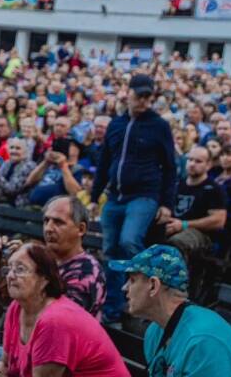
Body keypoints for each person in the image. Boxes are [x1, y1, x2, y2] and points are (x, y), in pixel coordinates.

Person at [0, 197, 105, 370]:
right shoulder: (43, 258)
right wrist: (0, 265)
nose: (49, 228)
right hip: (5, 342)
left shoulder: (86, 272)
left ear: (81, 229)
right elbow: (4, 302)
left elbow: (55, 328)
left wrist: (26, 268)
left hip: (39, 355)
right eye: (46, 221)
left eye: (58, 222)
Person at [92, 74, 178, 323]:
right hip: (115, 196)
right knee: (110, 250)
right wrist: (94, 196)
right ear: (128, 94)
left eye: (147, 97)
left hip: (144, 195)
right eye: (139, 95)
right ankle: (113, 307)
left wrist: (166, 204)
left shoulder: (159, 125)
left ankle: (147, 300)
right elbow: (104, 162)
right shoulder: (116, 124)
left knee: (130, 241)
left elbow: (170, 167)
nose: (142, 101)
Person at [110, 244, 231, 376]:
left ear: (153, 286)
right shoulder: (155, 331)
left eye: (132, 280)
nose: (124, 287)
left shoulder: (203, 342)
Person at [0, 242, 128, 377]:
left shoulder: (54, 321)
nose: (10, 276)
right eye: (9, 269)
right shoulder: (17, 307)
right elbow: (5, 364)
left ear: (44, 279)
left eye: (20, 269)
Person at [156, 146, 227, 263]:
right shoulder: (177, 185)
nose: (192, 164)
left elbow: (218, 221)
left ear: (208, 165)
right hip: (172, 227)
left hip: (200, 234)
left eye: (198, 161)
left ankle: (176, 275)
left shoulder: (214, 189)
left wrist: (184, 225)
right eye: (190, 159)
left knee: (176, 243)